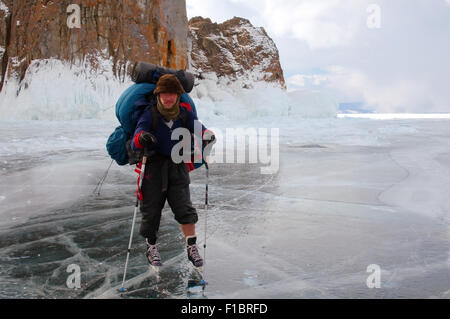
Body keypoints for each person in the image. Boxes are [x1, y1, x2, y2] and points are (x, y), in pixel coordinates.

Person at [131, 74, 215, 268]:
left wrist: (207, 135)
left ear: (178, 96)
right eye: (164, 94)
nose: (168, 98)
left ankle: (191, 247)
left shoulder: (184, 114)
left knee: (184, 208)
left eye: (172, 94)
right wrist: (142, 138)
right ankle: (151, 246)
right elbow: (137, 136)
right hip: (153, 167)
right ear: (158, 95)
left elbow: (198, 128)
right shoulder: (149, 114)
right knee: (151, 211)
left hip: (177, 165)